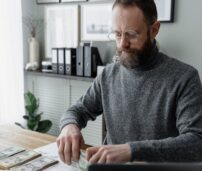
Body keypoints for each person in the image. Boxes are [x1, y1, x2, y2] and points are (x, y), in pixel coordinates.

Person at [57, 0, 202, 164]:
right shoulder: (108, 75)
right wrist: (69, 125)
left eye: (131, 34)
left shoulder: (185, 77)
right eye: (117, 34)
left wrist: (132, 151)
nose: (122, 44)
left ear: (154, 30)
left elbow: (196, 142)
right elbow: (78, 110)